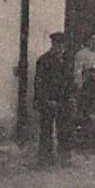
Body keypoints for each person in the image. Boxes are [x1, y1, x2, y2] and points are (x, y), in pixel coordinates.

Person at [32, 31, 74, 166]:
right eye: (57, 44)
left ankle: (64, 157)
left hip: (64, 99)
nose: (60, 47)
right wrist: (46, 99)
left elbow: (69, 80)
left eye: (62, 45)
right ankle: (45, 158)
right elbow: (39, 82)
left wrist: (71, 96)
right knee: (46, 130)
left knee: (65, 129)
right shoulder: (44, 60)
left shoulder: (67, 60)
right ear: (53, 44)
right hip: (49, 100)